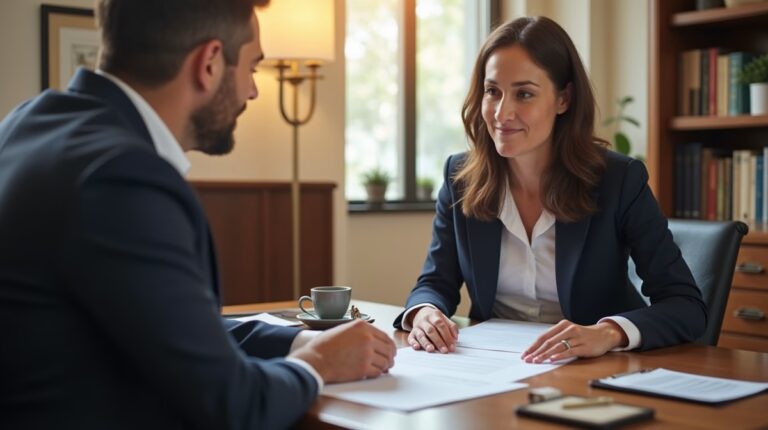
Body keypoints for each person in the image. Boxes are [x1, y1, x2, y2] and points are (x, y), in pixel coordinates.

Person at [0, 0, 396, 428]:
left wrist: (297, 339)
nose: (253, 90)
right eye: (252, 67)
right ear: (209, 63)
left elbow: (169, 326)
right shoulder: (123, 177)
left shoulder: (28, 123)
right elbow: (233, 406)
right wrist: (317, 363)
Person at [393, 16, 706, 363]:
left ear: (563, 99)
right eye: (492, 91)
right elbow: (435, 282)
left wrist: (608, 333)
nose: (501, 112)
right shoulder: (460, 178)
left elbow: (685, 305)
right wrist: (424, 313)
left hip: (594, 370)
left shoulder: (618, 179)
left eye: (524, 94)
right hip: (491, 366)